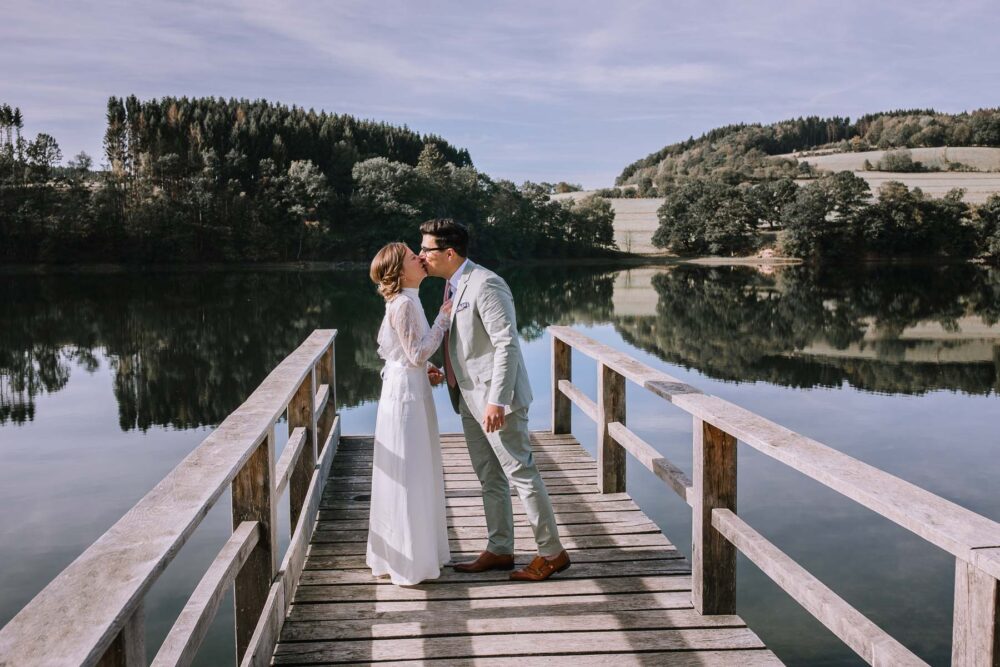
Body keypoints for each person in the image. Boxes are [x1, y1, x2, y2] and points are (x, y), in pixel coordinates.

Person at [418, 218, 570, 581]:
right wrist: (444, 369)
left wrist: (497, 401)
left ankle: (552, 553)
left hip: (495, 401)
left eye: (426, 249)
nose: (421, 254)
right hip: (468, 397)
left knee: (521, 472)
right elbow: (470, 343)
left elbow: (506, 343)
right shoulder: (453, 286)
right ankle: (500, 548)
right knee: (489, 476)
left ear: (448, 252)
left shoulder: (487, 284)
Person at [366, 242, 452, 585]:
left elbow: (409, 354)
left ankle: (418, 551)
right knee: (410, 467)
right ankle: (408, 560)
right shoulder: (403, 303)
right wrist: (443, 320)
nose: (419, 257)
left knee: (417, 465)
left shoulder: (409, 299)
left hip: (411, 388)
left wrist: (428, 367)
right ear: (401, 271)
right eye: (411, 256)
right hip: (405, 398)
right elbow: (415, 353)